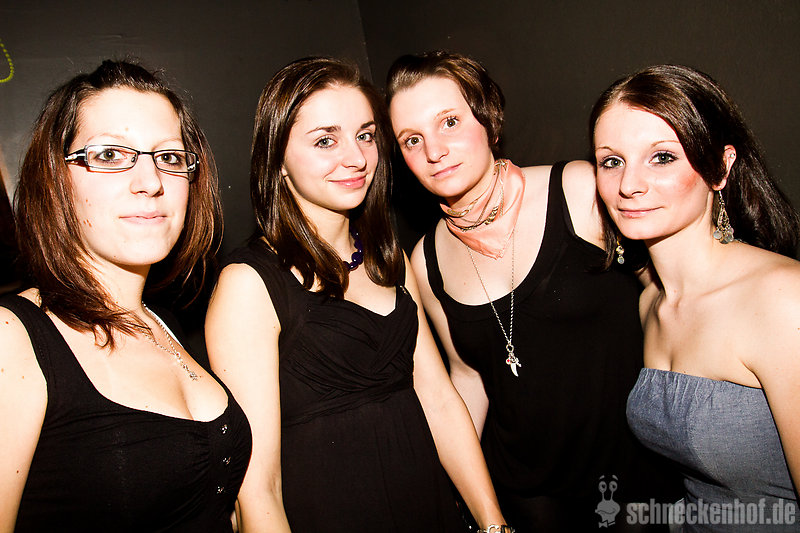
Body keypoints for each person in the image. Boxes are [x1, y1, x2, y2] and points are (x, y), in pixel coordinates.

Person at [205, 57, 508, 533]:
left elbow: (439, 399)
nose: (357, 158)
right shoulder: (249, 284)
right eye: (325, 140)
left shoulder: (389, 257)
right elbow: (258, 488)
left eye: (365, 135)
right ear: (277, 160)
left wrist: (493, 521)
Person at [386, 50, 680, 530]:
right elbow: (469, 376)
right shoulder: (424, 260)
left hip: (634, 476)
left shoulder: (581, 191)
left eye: (450, 122)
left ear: (489, 121)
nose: (434, 151)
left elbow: (664, 296)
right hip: (529, 494)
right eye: (412, 140)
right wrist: (456, 495)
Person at [0, 60, 252, 532]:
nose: (151, 182)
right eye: (110, 155)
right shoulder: (11, 337)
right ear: (55, 178)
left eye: (169, 157)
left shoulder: (165, 323)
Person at [591, 64, 800, 531]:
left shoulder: (784, 301)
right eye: (612, 161)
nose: (628, 185)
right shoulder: (651, 301)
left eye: (662, 157)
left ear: (721, 168)